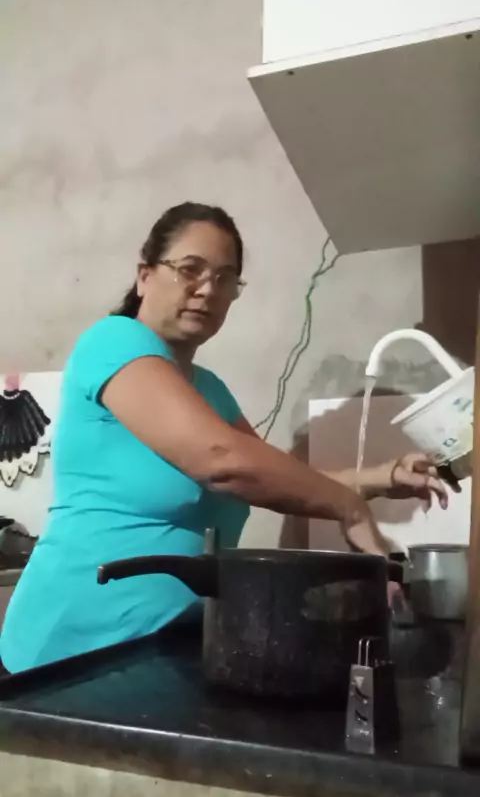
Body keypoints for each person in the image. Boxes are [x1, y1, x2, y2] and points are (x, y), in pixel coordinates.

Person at [0, 202, 449, 673]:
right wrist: (348, 507)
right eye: (189, 269)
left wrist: (383, 477)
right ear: (144, 276)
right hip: (66, 652)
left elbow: (279, 477)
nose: (207, 290)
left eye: (225, 278)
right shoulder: (112, 341)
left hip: (161, 648)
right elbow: (223, 460)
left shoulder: (210, 390)